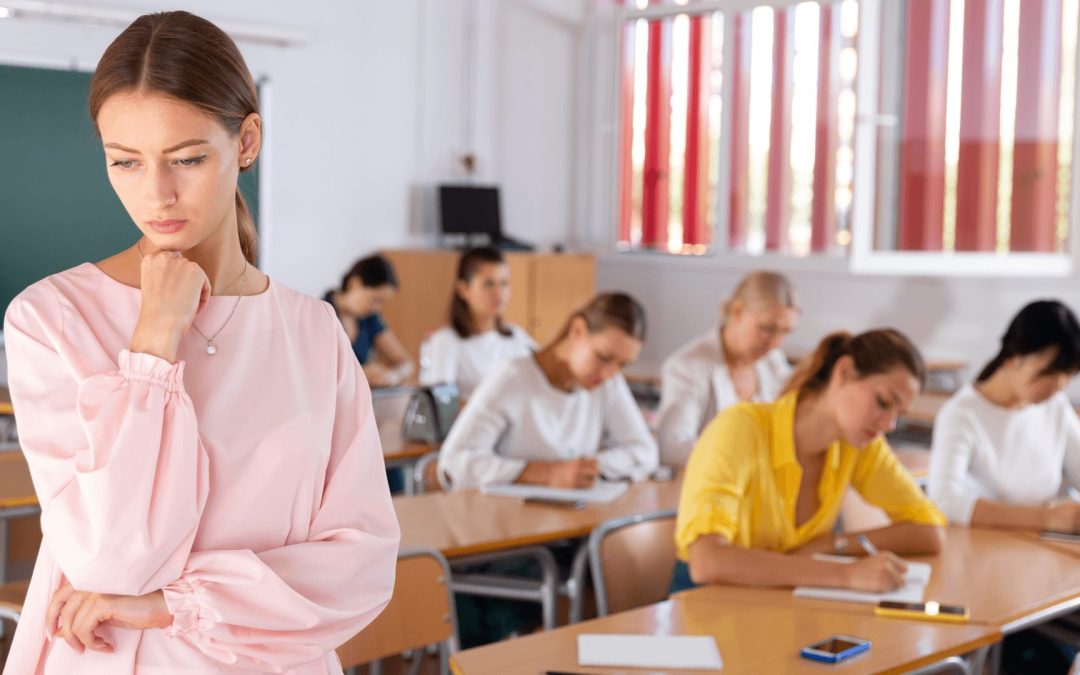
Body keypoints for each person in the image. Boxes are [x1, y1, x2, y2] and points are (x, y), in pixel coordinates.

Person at [2, 12, 399, 673]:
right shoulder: (50, 319)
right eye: (125, 162)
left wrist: (175, 601)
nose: (156, 193)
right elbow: (111, 557)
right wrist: (154, 344)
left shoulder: (314, 331)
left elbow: (359, 564)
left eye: (187, 158)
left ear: (246, 142)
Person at [672, 329, 946, 593]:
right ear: (844, 372)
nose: (889, 424)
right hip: (705, 607)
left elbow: (930, 532)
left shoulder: (860, 445)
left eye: (899, 413)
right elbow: (707, 562)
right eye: (884, 402)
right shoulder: (740, 428)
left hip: (776, 607)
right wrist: (846, 575)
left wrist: (832, 544)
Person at [437, 292, 658, 489]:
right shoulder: (513, 378)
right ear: (577, 330)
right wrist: (547, 473)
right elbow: (455, 462)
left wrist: (587, 468)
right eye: (603, 357)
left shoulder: (607, 381)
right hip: (509, 525)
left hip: (573, 524)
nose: (610, 373)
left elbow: (645, 451)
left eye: (622, 364)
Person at [929, 300, 1080, 533]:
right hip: (978, 550)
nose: (1058, 387)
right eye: (1049, 373)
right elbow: (944, 501)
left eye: (1067, 375)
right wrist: (1047, 519)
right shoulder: (962, 414)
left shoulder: (1055, 406)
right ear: (1012, 357)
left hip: (1035, 550)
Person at [656, 271, 798, 465]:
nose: (775, 344)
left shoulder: (773, 362)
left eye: (785, 332)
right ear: (737, 311)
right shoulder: (686, 367)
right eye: (767, 329)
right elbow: (673, 449)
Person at [419, 247, 535, 398]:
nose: (499, 293)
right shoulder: (446, 341)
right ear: (463, 289)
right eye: (488, 284)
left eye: (504, 283)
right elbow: (443, 403)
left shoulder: (516, 337)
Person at [325, 255, 414, 387]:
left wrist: (393, 376)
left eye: (382, 303)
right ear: (354, 284)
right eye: (374, 300)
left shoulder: (370, 319)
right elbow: (318, 369)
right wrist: (359, 373)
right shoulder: (322, 313)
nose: (377, 308)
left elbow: (407, 363)